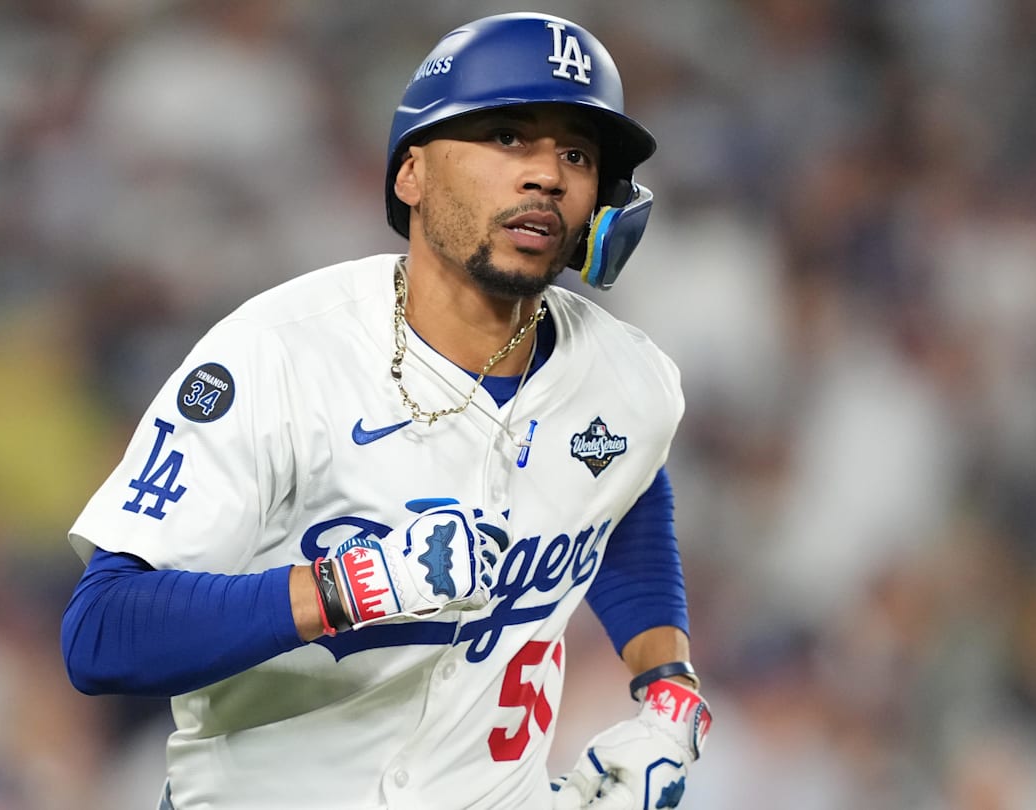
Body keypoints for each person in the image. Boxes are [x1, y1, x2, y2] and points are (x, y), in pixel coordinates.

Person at [60, 12, 711, 810]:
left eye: (575, 153)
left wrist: (668, 688)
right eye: (507, 137)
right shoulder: (278, 356)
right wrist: (350, 586)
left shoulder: (625, 379)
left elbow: (626, 487)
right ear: (412, 175)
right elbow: (102, 635)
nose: (546, 174)